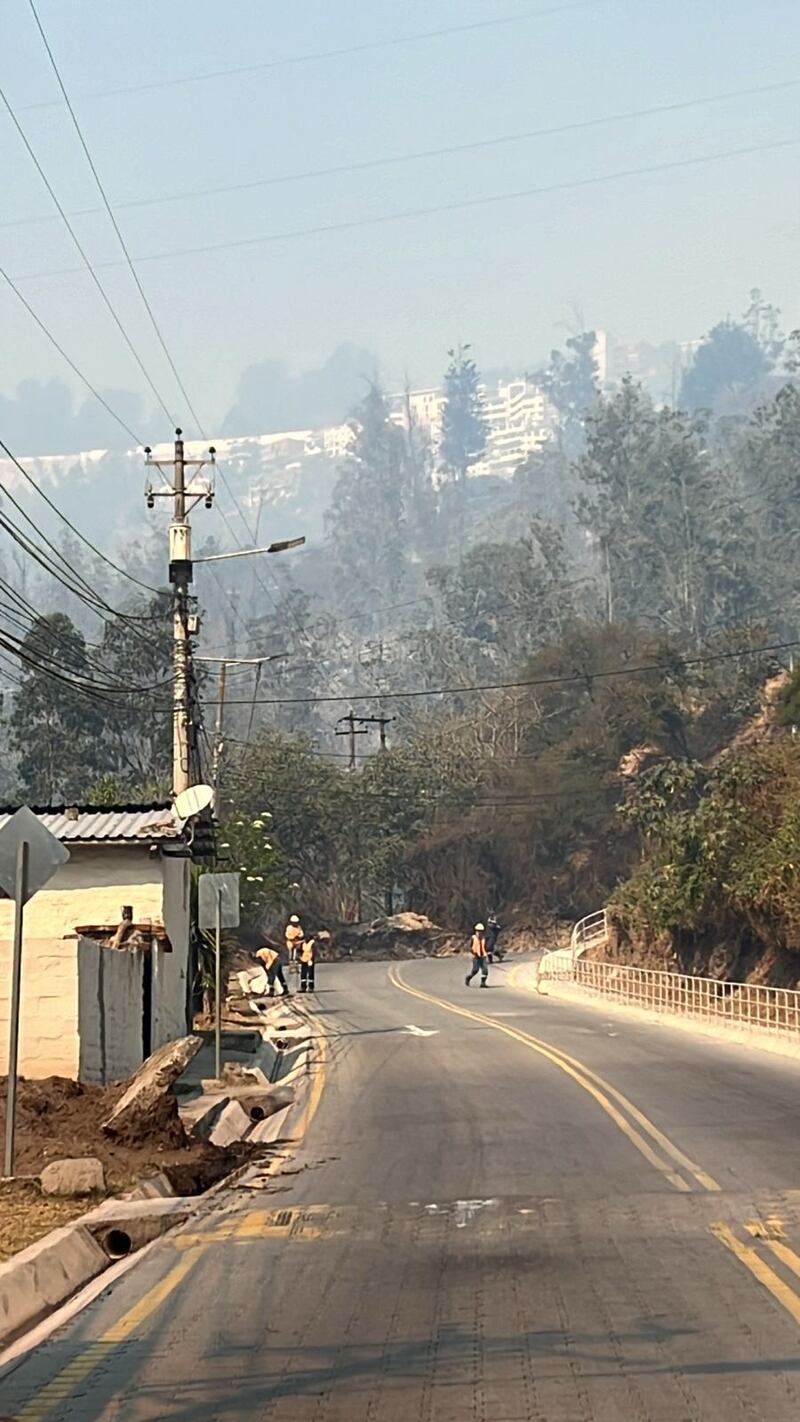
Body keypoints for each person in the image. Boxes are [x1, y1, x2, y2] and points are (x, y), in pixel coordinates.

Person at [465, 922, 489, 988]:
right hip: (475, 957)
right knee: (475, 970)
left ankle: (483, 983)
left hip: (482, 956)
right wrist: (473, 952)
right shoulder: (473, 938)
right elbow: (469, 947)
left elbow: (485, 947)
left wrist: (487, 954)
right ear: (476, 931)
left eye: (481, 931)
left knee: (485, 969)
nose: (480, 933)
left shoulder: (484, 939)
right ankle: (468, 978)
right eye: (478, 931)